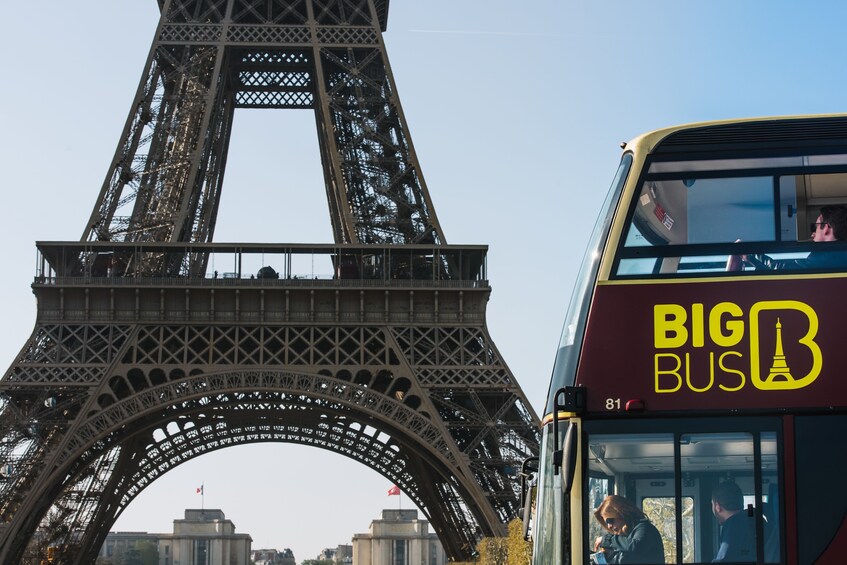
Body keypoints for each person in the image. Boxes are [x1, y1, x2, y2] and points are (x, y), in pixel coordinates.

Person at [730, 205, 847, 270]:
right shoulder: (839, 255)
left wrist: (749, 253)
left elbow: (785, 270)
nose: (812, 234)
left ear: (826, 228)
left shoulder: (827, 257)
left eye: (814, 228)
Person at [592, 495, 665, 564]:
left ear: (622, 514)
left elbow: (635, 546)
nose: (609, 526)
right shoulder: (625, 540)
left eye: (610, 521)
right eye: (606, 523)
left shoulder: (645, 528)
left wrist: (607, 540)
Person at [711, 481, 756, 563]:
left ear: (717, 507)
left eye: (712, 504)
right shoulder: (749, 520)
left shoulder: (734, 525)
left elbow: (724, 560)